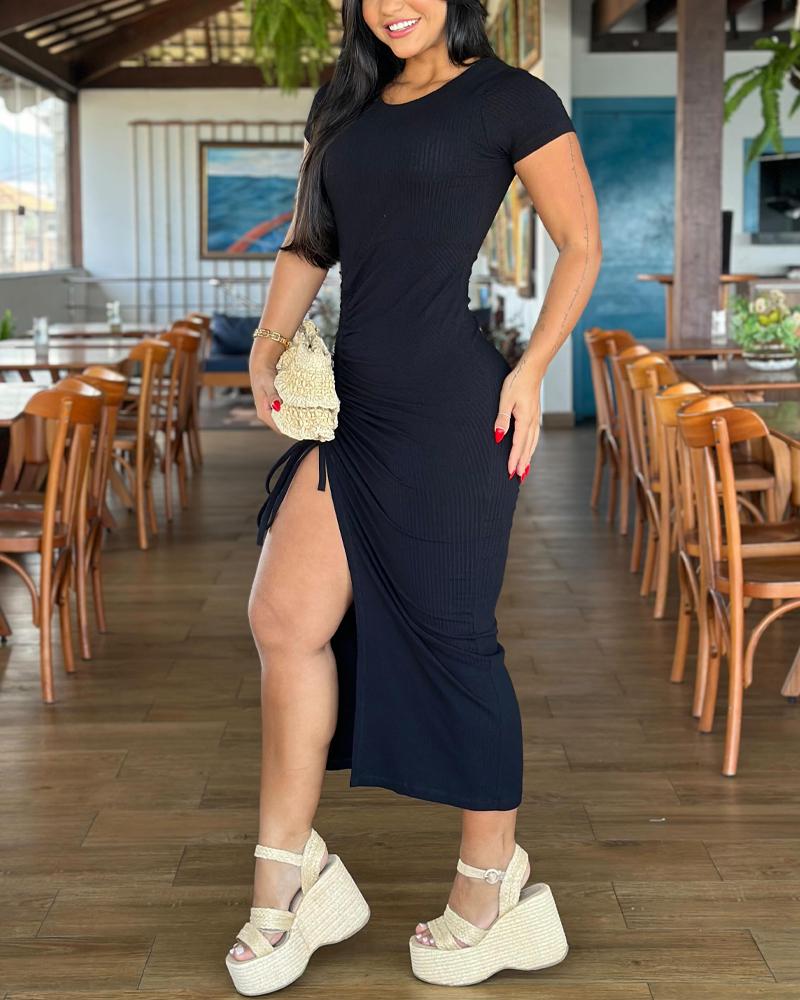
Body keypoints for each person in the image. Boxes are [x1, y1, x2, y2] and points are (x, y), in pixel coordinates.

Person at [226, 0, 601, 991]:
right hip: (350, 406)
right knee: (282, 617)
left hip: (451, 412)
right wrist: (266, 348)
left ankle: (491, 886)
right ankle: (287, 880)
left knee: (454, 638)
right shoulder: (344, 101)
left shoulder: (509, 98)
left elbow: (580, 242)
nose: (395, 3)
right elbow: (310, 242)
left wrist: (532, 370)